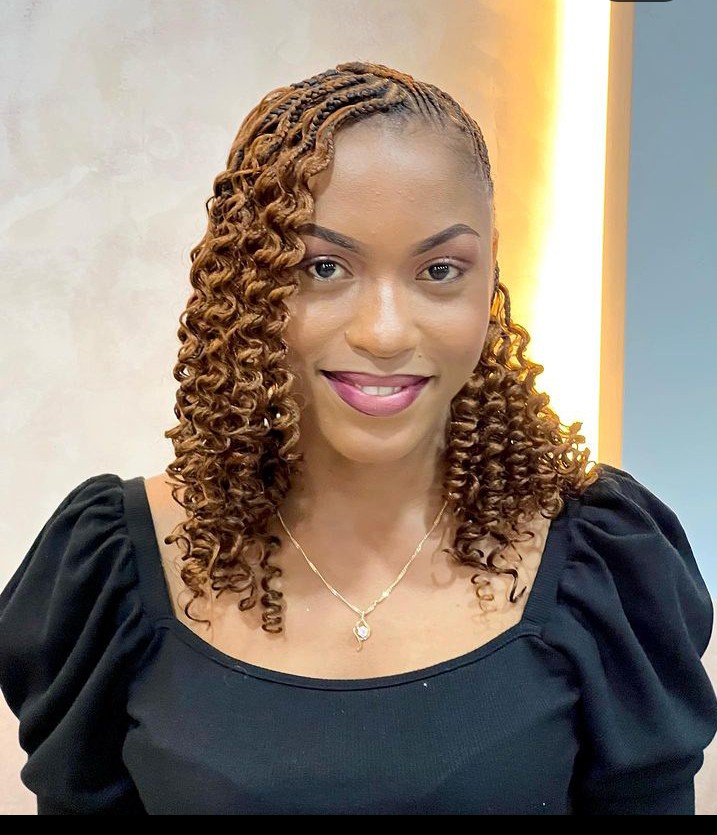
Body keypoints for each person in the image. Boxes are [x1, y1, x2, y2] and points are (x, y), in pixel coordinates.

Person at [0, 60, 715, 816]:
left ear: (490, 276)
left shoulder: (602, 566)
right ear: (247, 282)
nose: (384, 331)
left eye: (439, 270)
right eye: (324, 267)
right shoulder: (113, 569)